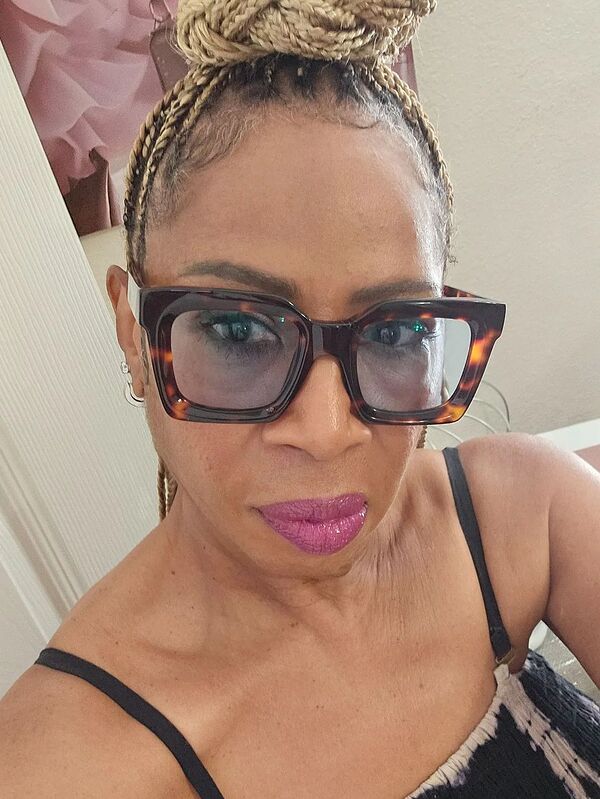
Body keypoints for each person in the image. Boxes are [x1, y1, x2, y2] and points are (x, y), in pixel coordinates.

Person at [1, 1, 599, 796]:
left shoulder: (519, 511)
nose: (326, 430)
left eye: (394, 331)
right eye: (238, 332)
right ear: (132, 331)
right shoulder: (70, 757)